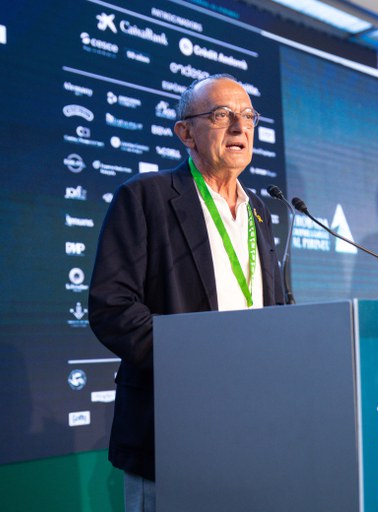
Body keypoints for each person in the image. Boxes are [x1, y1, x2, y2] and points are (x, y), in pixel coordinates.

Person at [89, 74, 285, 512]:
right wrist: (200, 362)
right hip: (172, 426)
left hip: (255, 421)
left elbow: (273, 307)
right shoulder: (144, 198)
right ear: (185, 133)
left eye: (248, 116)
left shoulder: (259, 211)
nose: (239, 126)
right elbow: (112, 308)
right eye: (222, 115)